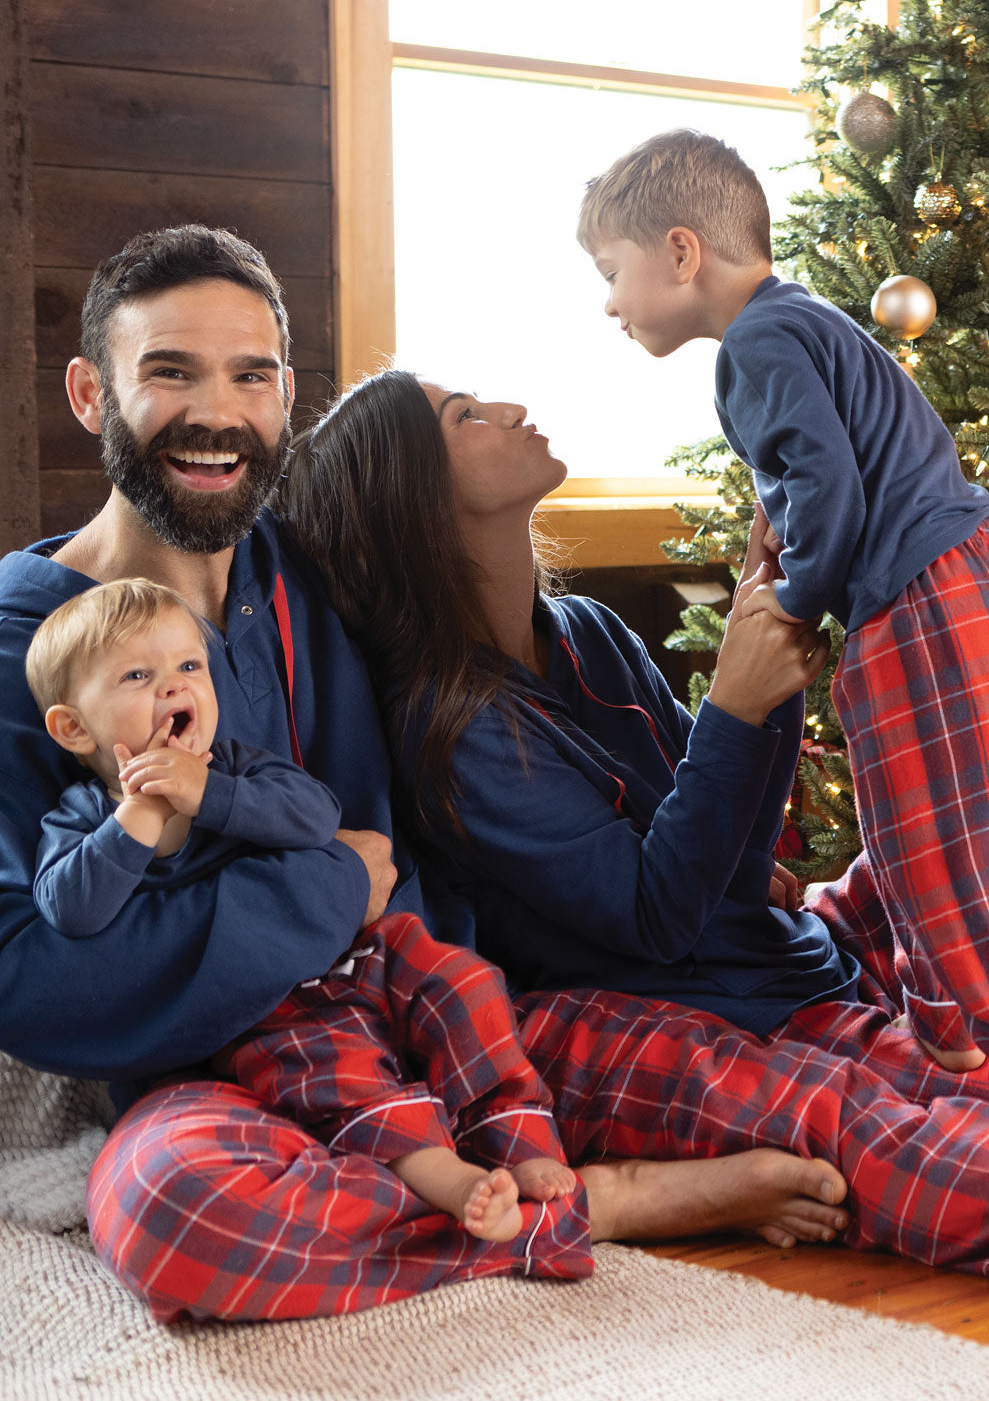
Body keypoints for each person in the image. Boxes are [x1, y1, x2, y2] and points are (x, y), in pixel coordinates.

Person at [0, 224, 849, 1324]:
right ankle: (594, 1206)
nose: (215, 412)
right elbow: (34, 980)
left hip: (436, 1004)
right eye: (168, 372)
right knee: (180, 1213)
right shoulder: (30, 644)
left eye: (249, 376)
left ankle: (499, 1181)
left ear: (282, 396)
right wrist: (322, 889)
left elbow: (422, 798)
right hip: (214, 1064)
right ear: (88, 393)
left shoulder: (308, 572)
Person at [278, 363, 989, 1283]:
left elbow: (729, 861)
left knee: (938, 859)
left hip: (766, 952)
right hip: (675, 1007)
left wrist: (764, 620)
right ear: (416, 503)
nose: (511, 407)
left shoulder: (590, 632)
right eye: (466, 417)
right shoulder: (453, 727)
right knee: (905, 1115)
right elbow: (655, 919)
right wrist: (736, 710)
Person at [576, 127, 989, 1089]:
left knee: (923, 827)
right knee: (975, 812)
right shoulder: (803, 319)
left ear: (681, 252)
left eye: (613, 271)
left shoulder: (755, 346)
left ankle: (966, 1050)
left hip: (918, 592)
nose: (608, 302)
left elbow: (831, 495)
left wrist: (792, 603)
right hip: (959, 568)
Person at [25, 575, 578, 1244]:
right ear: (73, 726)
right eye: (139, 675)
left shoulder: (235, 767)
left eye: (190, 665)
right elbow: (72, 911)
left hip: (353, 956)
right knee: (333, 1059)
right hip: (256, 1014)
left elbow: (318, 815)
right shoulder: (82, 816)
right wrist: (140, 813)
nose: (175, 688)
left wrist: (212, 794)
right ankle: (448, 1179)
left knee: (464, 982)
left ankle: (517, 1133)